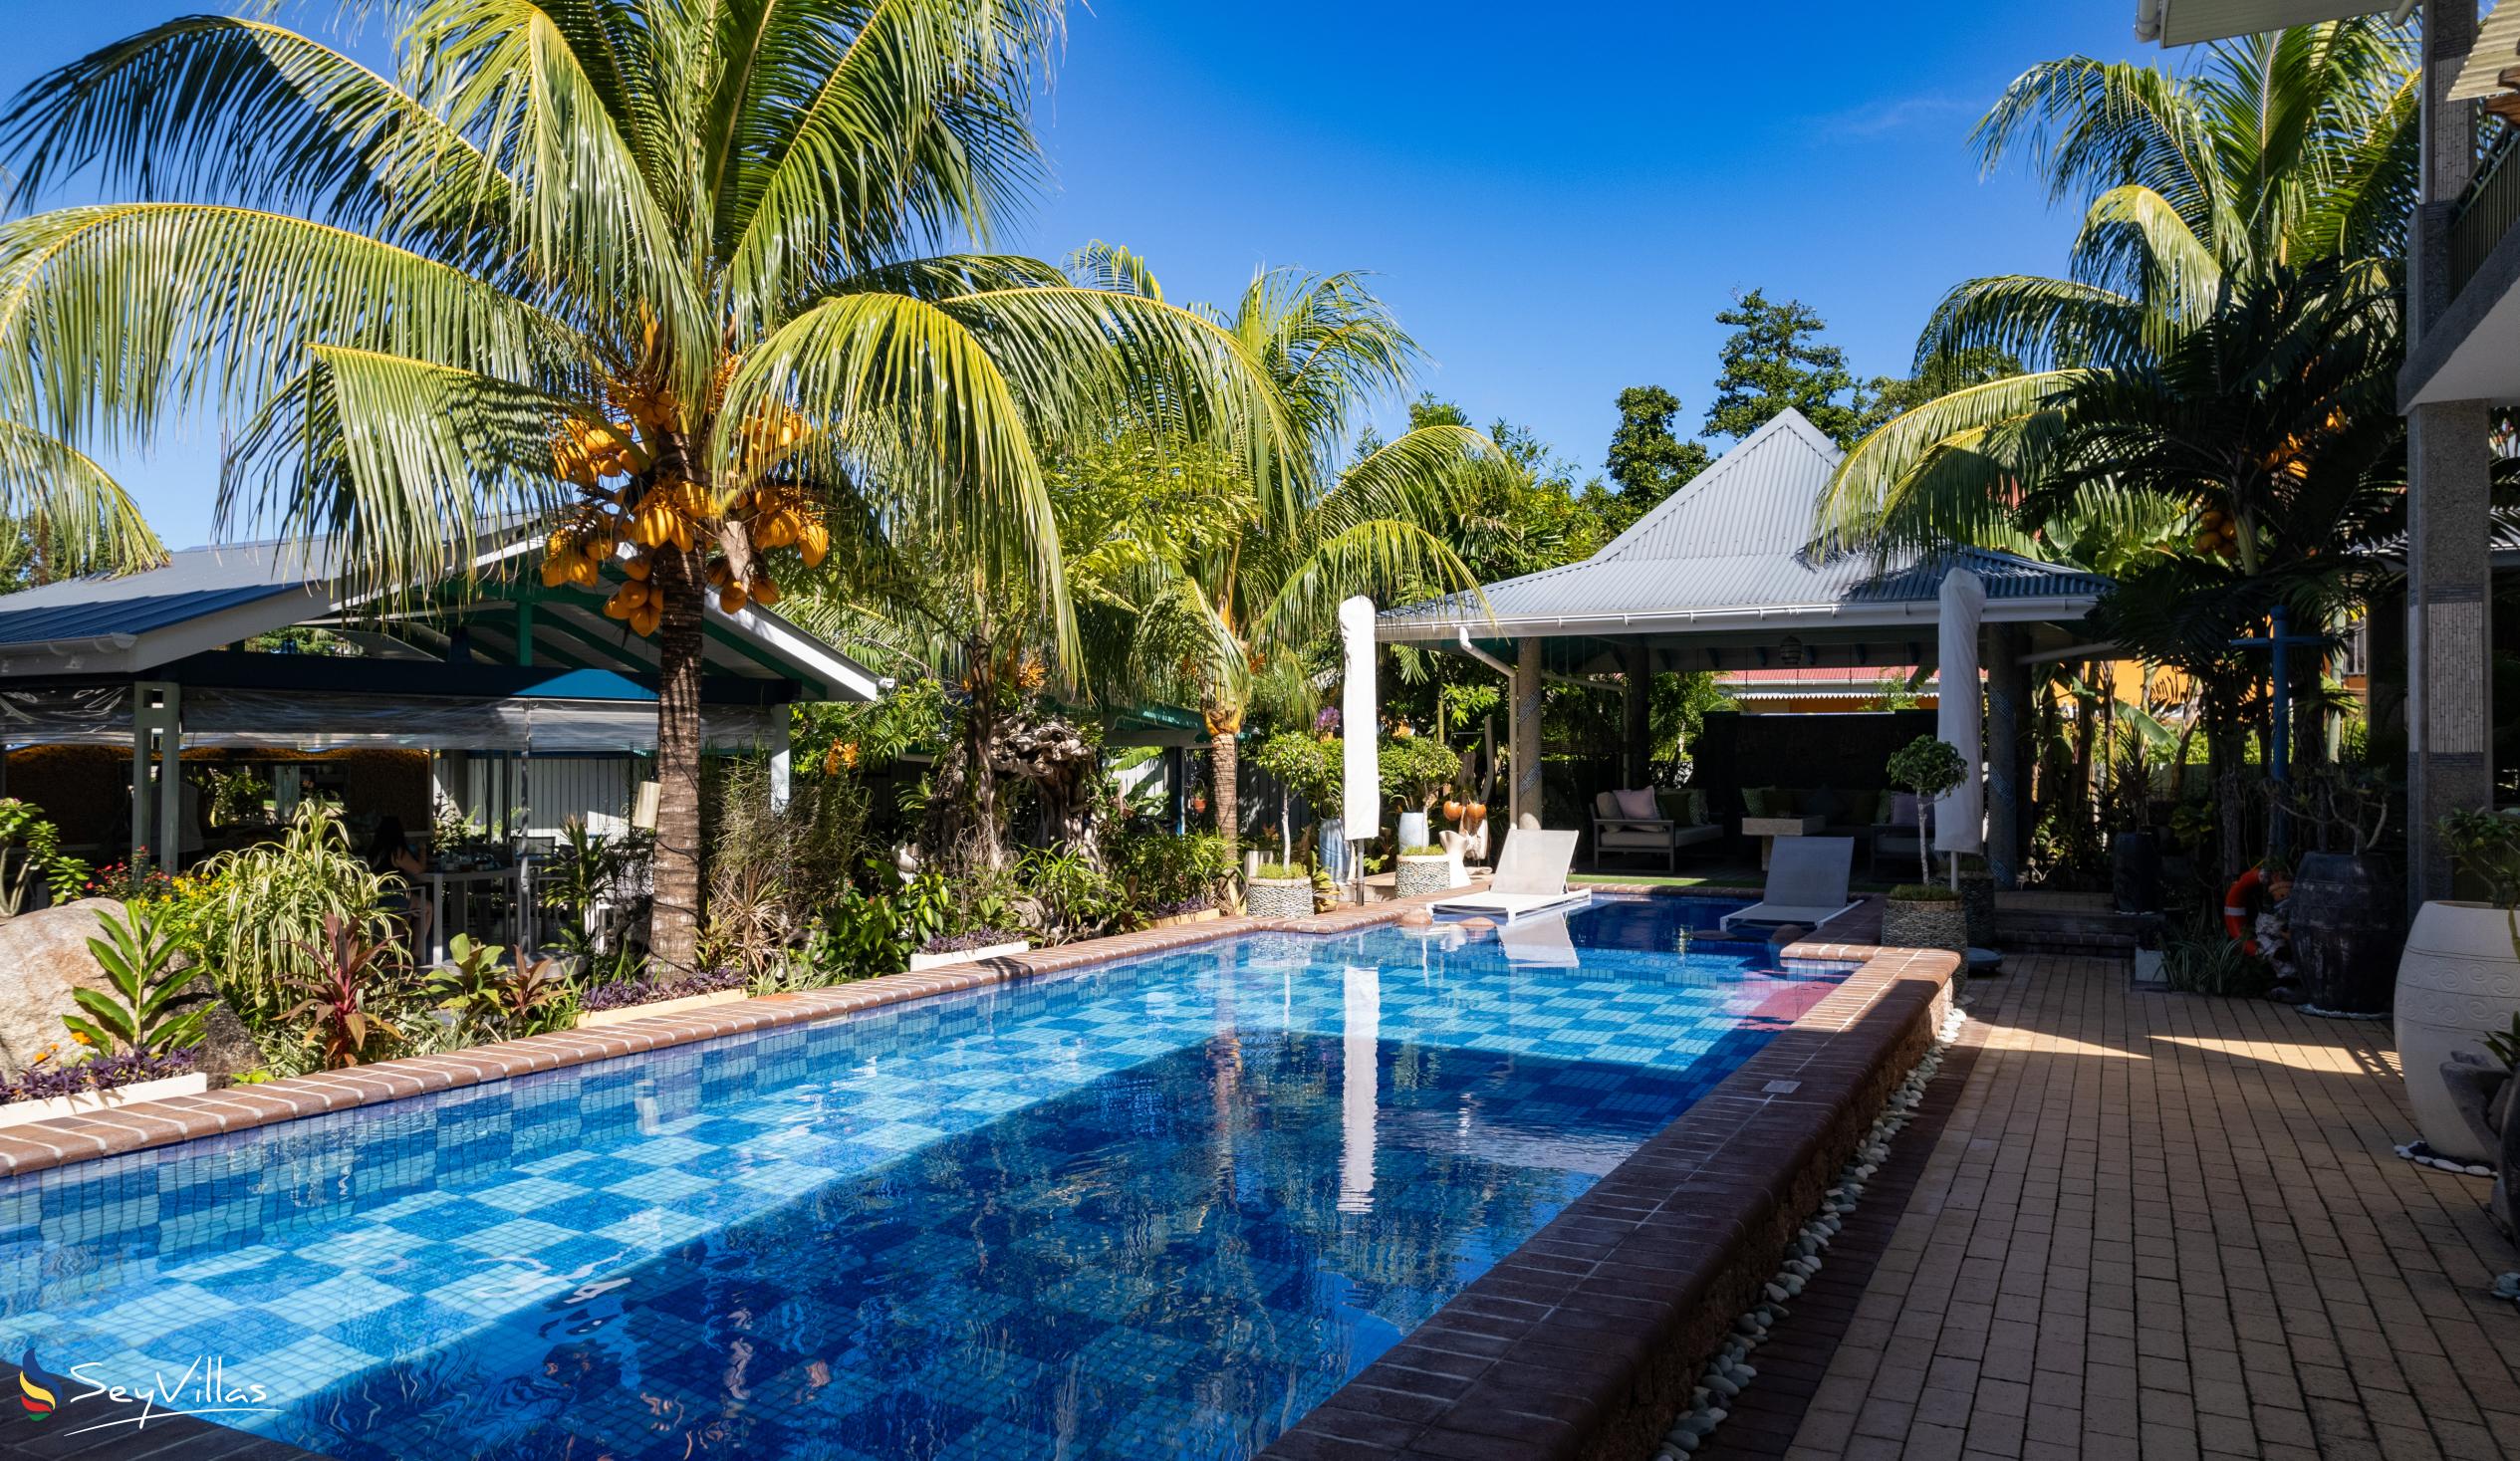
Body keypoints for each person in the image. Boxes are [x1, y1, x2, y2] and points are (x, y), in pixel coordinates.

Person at [368, 816, 433, 958]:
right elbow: (419, 869)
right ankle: (416, 951)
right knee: (427, 907)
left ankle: (393, 948)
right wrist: (422, 849)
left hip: (375, 897)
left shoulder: (374, 850)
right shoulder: (396, 851)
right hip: (390, 896)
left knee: (411, 908)